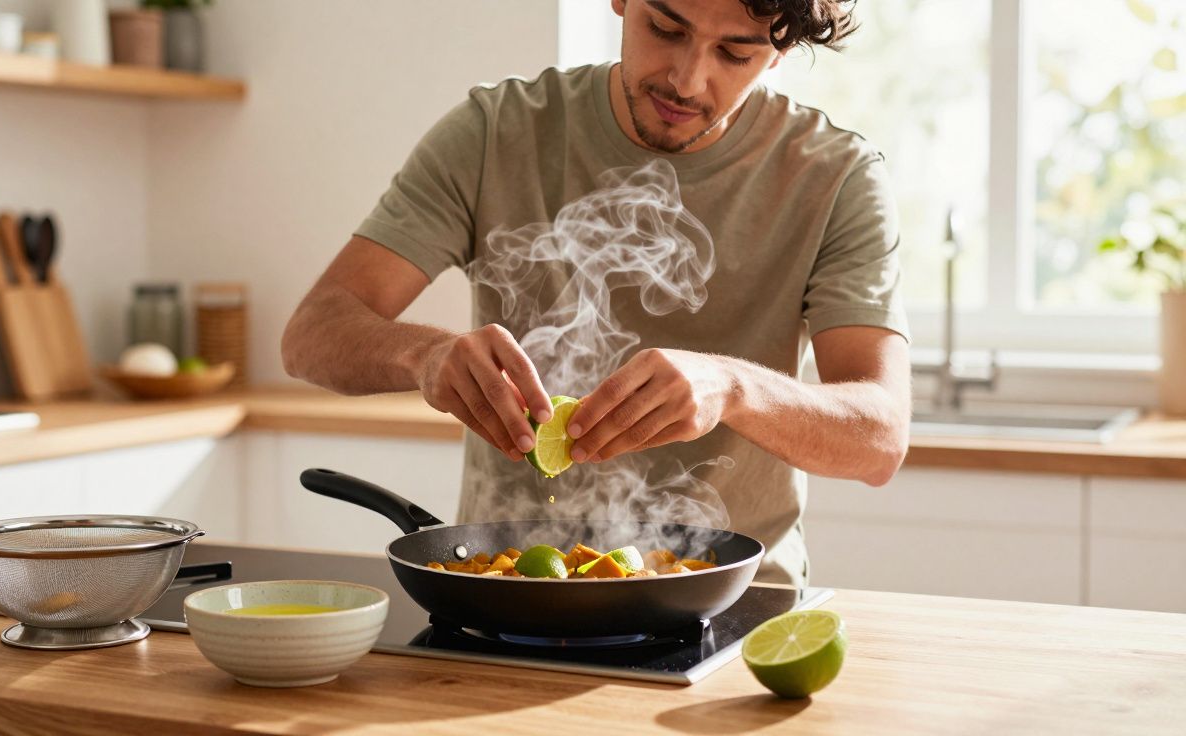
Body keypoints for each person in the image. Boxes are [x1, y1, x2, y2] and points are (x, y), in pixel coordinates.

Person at [282, 0, 910, 587]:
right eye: (666, 30)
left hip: (737, 604)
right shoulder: (495, 131)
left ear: (778, 51)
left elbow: (880, 439)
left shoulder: (836, 176)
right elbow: (311, 335)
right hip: (509, 588)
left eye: (735, 54)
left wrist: (734, 389)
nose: (688, 81)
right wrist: (425, 358)